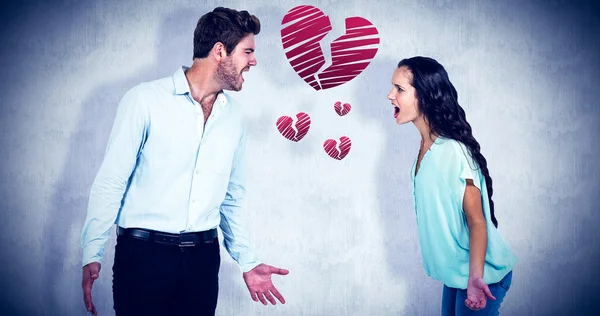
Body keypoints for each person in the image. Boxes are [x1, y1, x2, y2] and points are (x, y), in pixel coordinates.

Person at [80, 7, 288, 316]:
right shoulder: (144, 100)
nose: (253, 61)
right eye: (248, 52)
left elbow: (232, 197)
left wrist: (248, 259)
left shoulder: (235, 117)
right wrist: (91, 251)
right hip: (142, 257)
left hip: (203, 260)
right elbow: (111, 181)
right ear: (220, 51)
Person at [386, 56, 517, 315]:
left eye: (400, 89)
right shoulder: (425, 148)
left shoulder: (454, 151)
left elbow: (477, 220)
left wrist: (475, 278)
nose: (391, 95)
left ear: (423, 96)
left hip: (482, 274)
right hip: (458, 272)